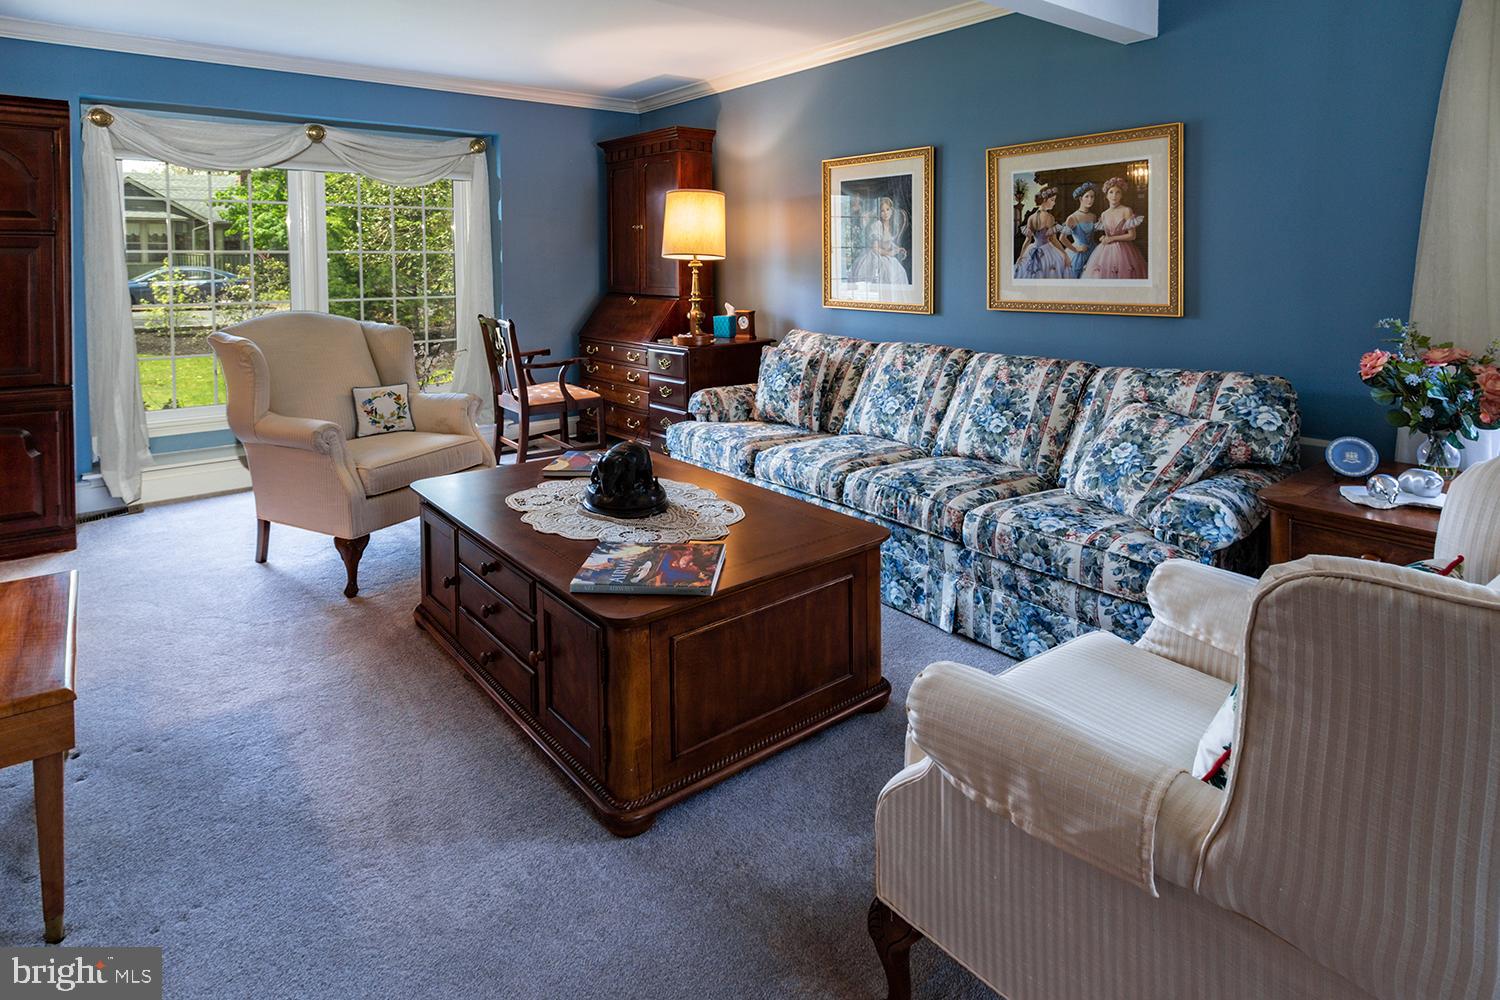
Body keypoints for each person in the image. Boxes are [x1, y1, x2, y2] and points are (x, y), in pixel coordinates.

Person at [1081, 176, 1147, 279]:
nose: (1114, 196)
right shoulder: (1104, 214)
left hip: (1124, 252)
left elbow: (1132, 235)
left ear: (1121, 195)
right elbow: (1107, 234)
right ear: (1106, 195)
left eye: (1118, 192)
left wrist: (1111, 238)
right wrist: (1103, 238)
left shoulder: (1126, 210)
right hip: (1105, 252)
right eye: (1111, 192)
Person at [849, 196, 910, 284]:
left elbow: (888, 242)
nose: (885, 213)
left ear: (891, 211)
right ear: (879, 213)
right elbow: (875, 248)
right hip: (876, 256)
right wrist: (889, 253)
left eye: (887, 209)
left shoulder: (892, 226)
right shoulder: (877, 225)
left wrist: (898, 248)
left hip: (886, 256)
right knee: (883, 274)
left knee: (899, 272)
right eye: (882, 211)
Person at [1013, 187, 1069, 279]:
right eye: (1052, 200)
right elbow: (1053, 239)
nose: (1054, 203)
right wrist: (1064, 254)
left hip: (1032, 249)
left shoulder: (1031, 218)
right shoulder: (1049, 217)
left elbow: (1028, 239)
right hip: (1047, 250)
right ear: (1044, 200)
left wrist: (1021, 255)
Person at [1061, 182, 1099, 279]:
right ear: (1080, 198)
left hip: (1093, 252)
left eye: (1092, 197)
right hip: (1078, 254)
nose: (1090, 200)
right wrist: (1076, 249)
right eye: (1087, 196)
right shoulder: (1072, 217)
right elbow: (1062, 238)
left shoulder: (1093, 216)